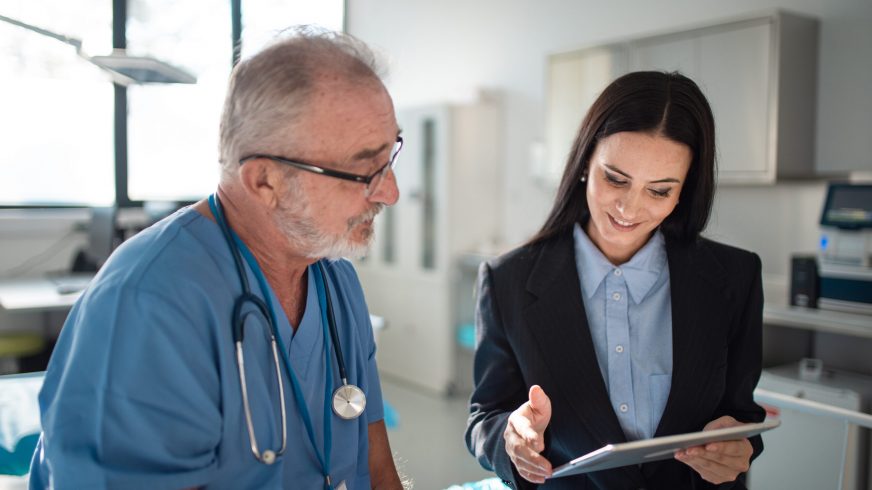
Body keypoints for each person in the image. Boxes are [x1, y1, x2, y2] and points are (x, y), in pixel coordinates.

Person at [29, 26, 404, 490]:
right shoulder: (149, 305)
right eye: (365, 169)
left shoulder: (335, 282)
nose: (390, 192)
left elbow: (376, 469)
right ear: (264, 180)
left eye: (391, 157)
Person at [465, 71, 766, 489]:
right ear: (586, 161)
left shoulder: (736, 278)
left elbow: (742, 415)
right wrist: (512, 439)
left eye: (659, 191)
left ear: (684, 190)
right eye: (616, 178)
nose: (629, 207)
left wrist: (740, 446)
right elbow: (486, 416)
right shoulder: (508, 281)